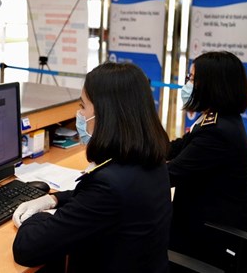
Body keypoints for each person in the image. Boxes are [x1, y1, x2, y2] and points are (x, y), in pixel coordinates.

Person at [12, 62, 172, 272]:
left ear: (107, 114)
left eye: (83, 106)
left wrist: (37, 217)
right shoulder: (149, 158)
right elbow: (102, 199)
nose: (79, 114)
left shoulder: (107, 185)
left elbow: (27, 249)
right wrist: (54, 199)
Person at [168, 51, 247, 268]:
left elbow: (171, 175)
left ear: (213, 86)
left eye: (192, 79)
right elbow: (178, 148)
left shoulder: (217, 131)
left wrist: (124, 171)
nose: (187, 84)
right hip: (201, 219)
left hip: (212, 237)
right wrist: (139, 144)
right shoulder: (217, 120)